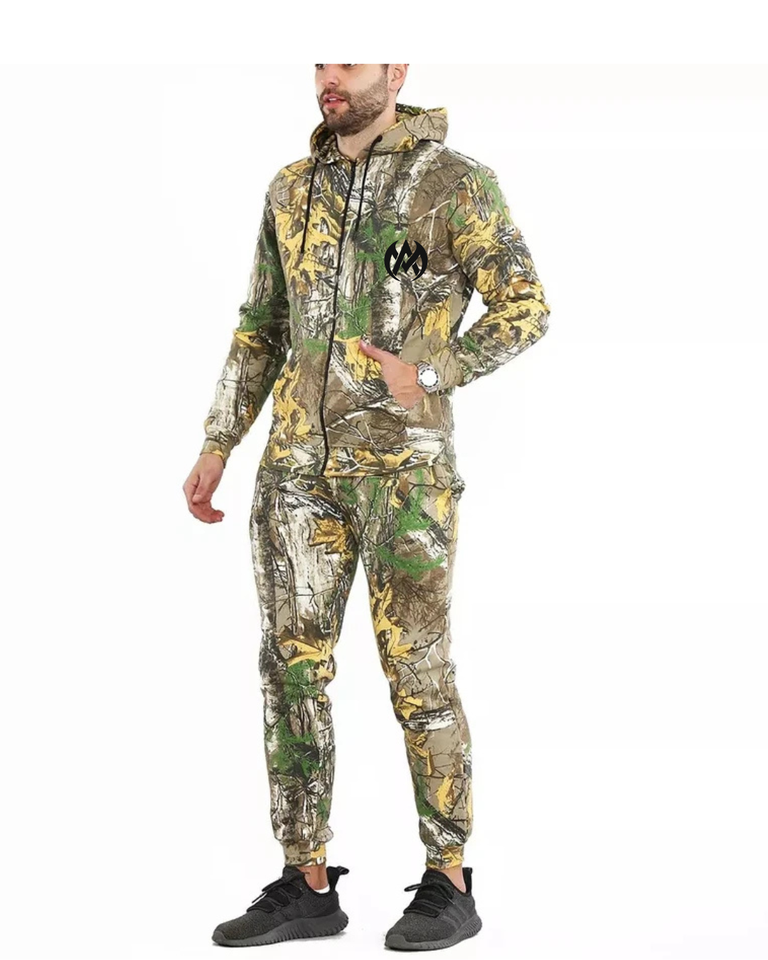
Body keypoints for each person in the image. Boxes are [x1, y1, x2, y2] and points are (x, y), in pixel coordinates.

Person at [183, 63, 550, 950]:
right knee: (289, 670)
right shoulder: (290, 189)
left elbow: (526, 306)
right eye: (321, 62)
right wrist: (219, 440)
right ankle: (306, 881)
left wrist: (432, 372)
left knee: (418, 671)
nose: (330, 80)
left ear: (396, 69)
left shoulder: (454, 182)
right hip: (296, 474)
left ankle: (448, 879)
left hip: (403, 478)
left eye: (350, 61)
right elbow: (261, 325)